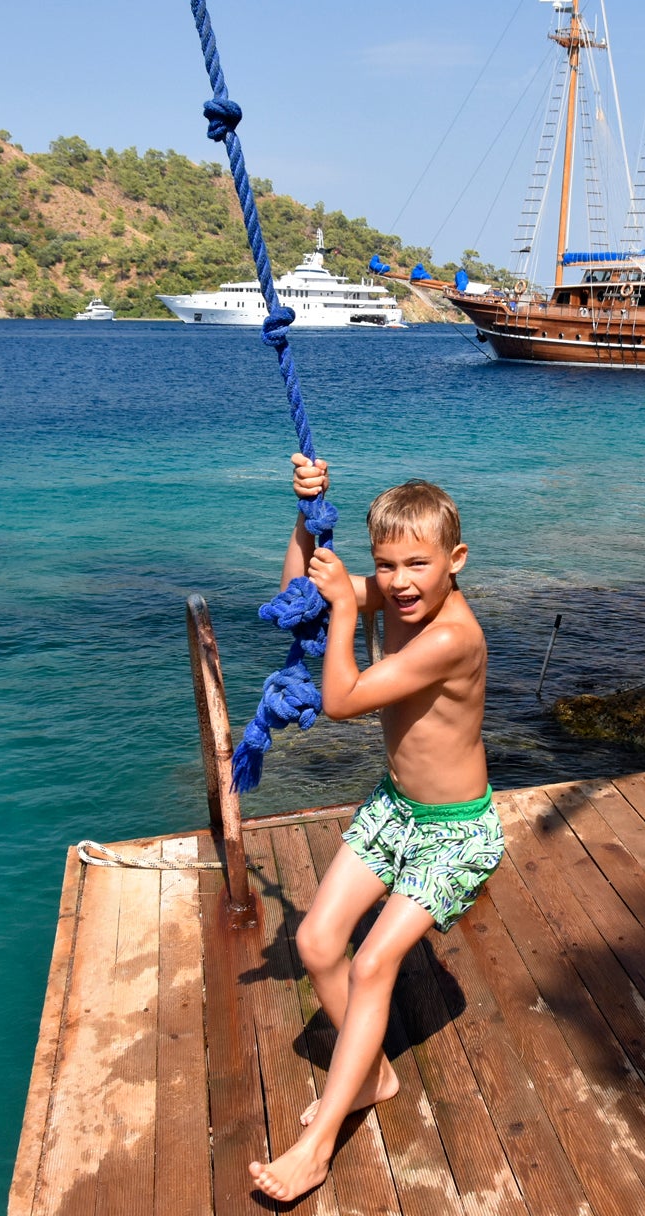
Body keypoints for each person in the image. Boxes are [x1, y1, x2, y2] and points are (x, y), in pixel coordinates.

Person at [249, 453, 502, 1203]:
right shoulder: (397, 599)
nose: (400, 581)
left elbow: (344, 700)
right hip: (396, 808)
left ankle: (318, 1144)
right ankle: (375, 1077)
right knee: (317, 942)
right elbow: (298, 594)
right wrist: (305, 515)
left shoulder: (450, 636)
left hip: (457, 830)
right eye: (385, 565)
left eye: (418, 564)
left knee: (369, 966)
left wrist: (351, 612)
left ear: (455, 560)